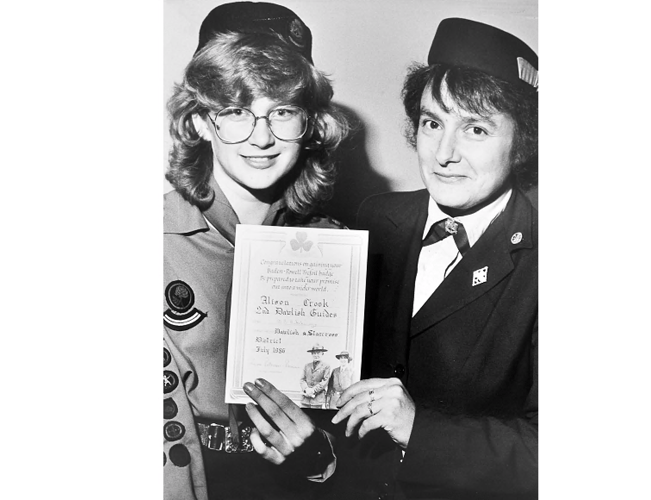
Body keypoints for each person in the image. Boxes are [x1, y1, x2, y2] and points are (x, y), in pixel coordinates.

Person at [331, 18, 538, 500]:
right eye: (432, 123)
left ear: (523, 141)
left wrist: (417, 429)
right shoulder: (376, 217)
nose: (444, 153)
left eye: (477, 129)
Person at [162, 3, 350, 499]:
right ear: (202, 122)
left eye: (282, 112)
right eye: (235, 112)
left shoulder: (337, 252)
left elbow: (347, 439)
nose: (262, 138)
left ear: (309, 125)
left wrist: (317, 456)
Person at [299, 343, 332, 409]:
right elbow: (302, 379)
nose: (316, 355)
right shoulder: (307, 366)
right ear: (312, 354)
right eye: (314, 353)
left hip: (317, 399)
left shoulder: (326, 366)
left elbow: (325, 381)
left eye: (318, 353)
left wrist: (313, 390)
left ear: (322, 354)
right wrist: (306, 389)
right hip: (305, 399)